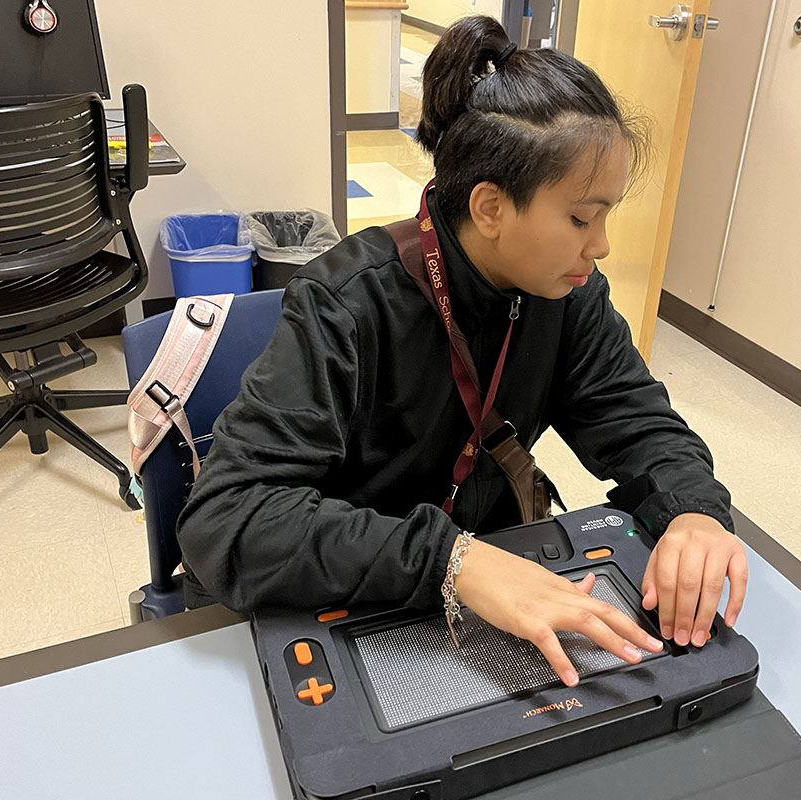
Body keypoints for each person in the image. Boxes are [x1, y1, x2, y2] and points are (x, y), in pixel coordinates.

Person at [177, 15, 747, 688]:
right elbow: (228, 520)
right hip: (351, 600)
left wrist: (691, 513)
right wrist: (455, 561)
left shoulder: (567, 293)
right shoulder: (346, 302)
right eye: (579, 218)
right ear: (489, 208)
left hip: (490, 603)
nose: (600, 246)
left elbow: (639, 423)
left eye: (606, 216)